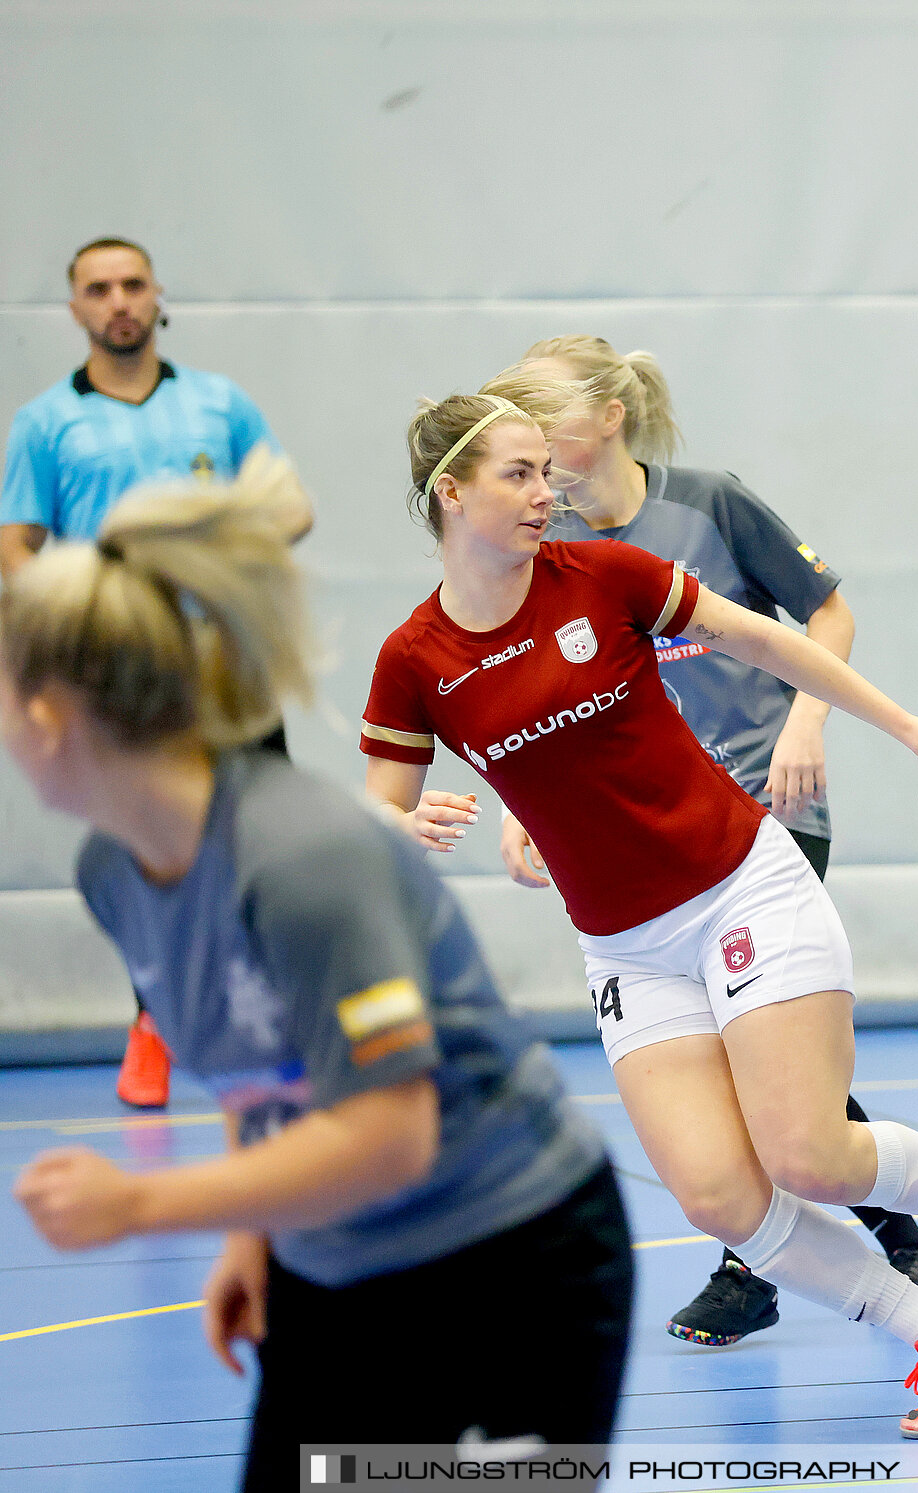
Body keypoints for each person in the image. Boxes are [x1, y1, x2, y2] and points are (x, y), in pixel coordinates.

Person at [361, 392, 918, 1438]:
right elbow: (379, 820)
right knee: (717, 1196)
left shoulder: (606, 576)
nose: (545, 493)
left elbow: (771, 641)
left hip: (740, 883)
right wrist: (406, 825)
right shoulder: (414, 659)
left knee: (807, 1153)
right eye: (518, 475)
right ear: (451, 493)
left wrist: (902, 724)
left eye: (545, 470)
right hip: (624, 942)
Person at [3, 454, 633, 1493]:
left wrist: (144, 1204)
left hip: (518, 1264)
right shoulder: (112, 868)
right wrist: (255, 1230)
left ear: (51, 716)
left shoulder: (302, 858)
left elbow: (389, 1133)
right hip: (340, 1266)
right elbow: (261, 1065)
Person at [480, 337, 918, 1349]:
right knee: (752, 1061)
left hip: (764, 809)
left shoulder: (708, 503)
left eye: (540, 410)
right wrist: (528, 806)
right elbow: (534, 700)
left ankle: (764, 1269)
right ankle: (891, 1231)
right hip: (645, 839)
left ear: (609, 414)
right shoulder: (546, 540)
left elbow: (826, 610)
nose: (526, 437)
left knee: (757, 1054)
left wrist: (808, 722)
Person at [0, 235, 284, 1109]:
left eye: (132, 284)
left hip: (225, 661)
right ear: (76, 307)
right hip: (123, 673)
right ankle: (153, 1019)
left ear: (158, 296)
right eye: (99, 288)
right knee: (149, 849)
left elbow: (282, 508)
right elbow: (17, 547)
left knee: (262, 835)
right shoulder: (48, 423)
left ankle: (281, 1009)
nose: (118, 300)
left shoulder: (219, 405)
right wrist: (75, 621)